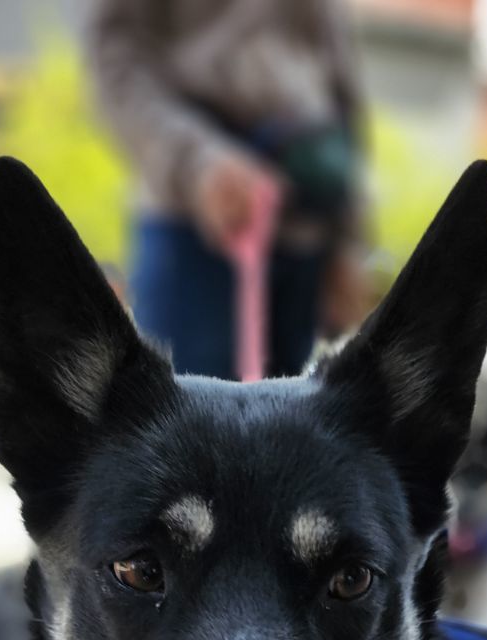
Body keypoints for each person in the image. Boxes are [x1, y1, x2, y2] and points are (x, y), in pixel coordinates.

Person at [85, 0, 369, 381]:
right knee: (183, 428)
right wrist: (194, 161)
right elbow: (118, 62)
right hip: (192, 230)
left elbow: (342, 93)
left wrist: (347, 239)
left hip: (307, 228)